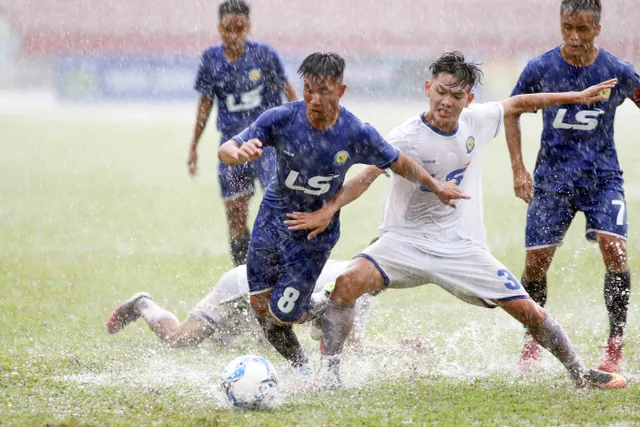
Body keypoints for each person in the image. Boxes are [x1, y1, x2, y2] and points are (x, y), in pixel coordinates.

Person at [289, 51, 625, 389]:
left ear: (469, 99)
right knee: (348, 282)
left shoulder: (476, 120)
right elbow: (366, 176)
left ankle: (580, 373)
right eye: (440, 91)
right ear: (427, 88)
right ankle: (328, 376)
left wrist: (576, 97)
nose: (446, 101)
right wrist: (329, 209)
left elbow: (519, 102)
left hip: (461, 246)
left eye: (456, 95)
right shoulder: (406, 136)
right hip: (404, 241)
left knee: (530, 311)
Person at [217, 52, 469, 373]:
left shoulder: (355, 132)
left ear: (341, 90)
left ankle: (319, 310)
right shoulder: (280, 118)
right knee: (261, 308)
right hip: (272, 220)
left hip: (313, 236)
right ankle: (302, 370)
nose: (314, 99)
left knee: (283, 314)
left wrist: (435, 185)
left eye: (324, 91)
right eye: (309, 89)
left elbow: (397, 162)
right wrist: (238, 155)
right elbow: (226, 149)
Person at [505, 0, 640, 373]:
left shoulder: (617, 71)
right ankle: (532, 341)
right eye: (568, 28)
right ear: (561, 25)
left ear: (597, 29)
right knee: (535, 265)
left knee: (615, 251)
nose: (574, 37)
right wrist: (518, 169)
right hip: (552, 181)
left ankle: (614, 344)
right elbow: (512, 110)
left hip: (602, 178)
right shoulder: (541, 68)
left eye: (583, 29)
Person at [187, 0, 298, 266]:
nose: (233, 35)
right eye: (228, 29)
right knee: (235, 211)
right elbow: (205, 105)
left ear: (248, 27)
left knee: (280, 207)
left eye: (239, 29)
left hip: (267, 145)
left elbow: (289, 94)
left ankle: (285, 268)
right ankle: (242, 275)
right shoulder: (211, 59)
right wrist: (193, 147)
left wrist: (298, 133)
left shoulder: (265, 56)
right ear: (219, 28)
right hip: (232, 146)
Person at [106, 259, 374, 348]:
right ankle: (143, 304)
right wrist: (395, 348)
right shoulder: (349, 284)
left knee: (222, 342)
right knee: (181, 339)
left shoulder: (361, 283)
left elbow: (346, 339)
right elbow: (345, 342)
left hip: (263, 294)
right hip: (242, 286)